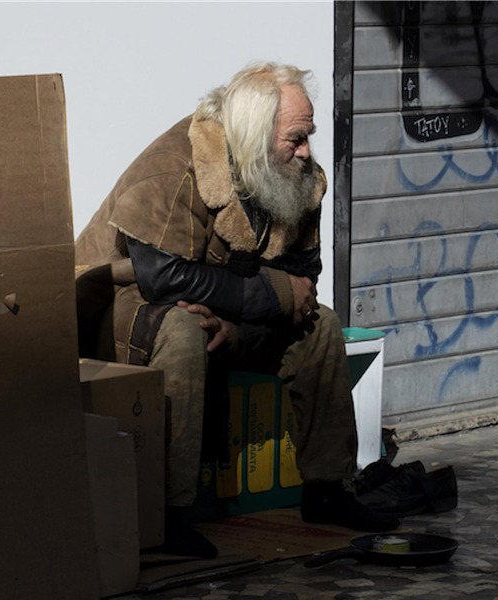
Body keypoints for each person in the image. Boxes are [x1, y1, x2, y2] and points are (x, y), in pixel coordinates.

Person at [75, 61, 399, 559]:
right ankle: (169, 516)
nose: (307, 150)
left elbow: (302, 281)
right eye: (296, 138)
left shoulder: (295, 177)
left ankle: (328, 489)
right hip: (123, 304)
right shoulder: (173, 165)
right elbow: (162, 278)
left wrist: (236, 324)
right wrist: (264, 299)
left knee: (322, 326)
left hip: (220, 311)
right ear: (254, 134)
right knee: (183, 332)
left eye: (308, 135)